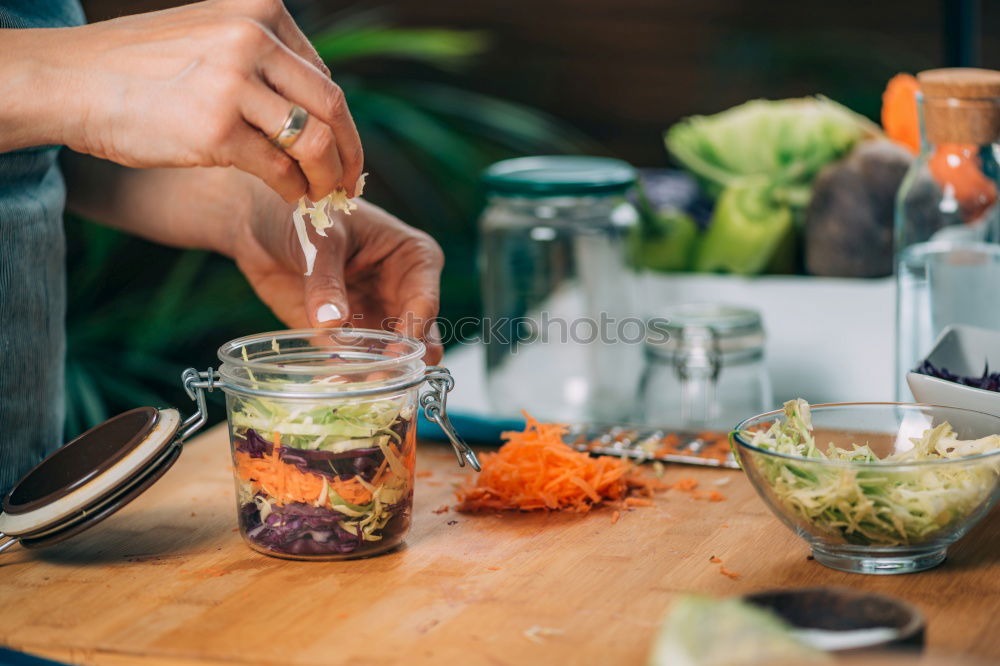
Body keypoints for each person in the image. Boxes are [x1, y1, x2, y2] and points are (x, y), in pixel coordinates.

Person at [0, 0, 445, 495]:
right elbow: (56, 99)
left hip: (29, 488)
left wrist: (246, 212)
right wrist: (64, 74)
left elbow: (38, 155)